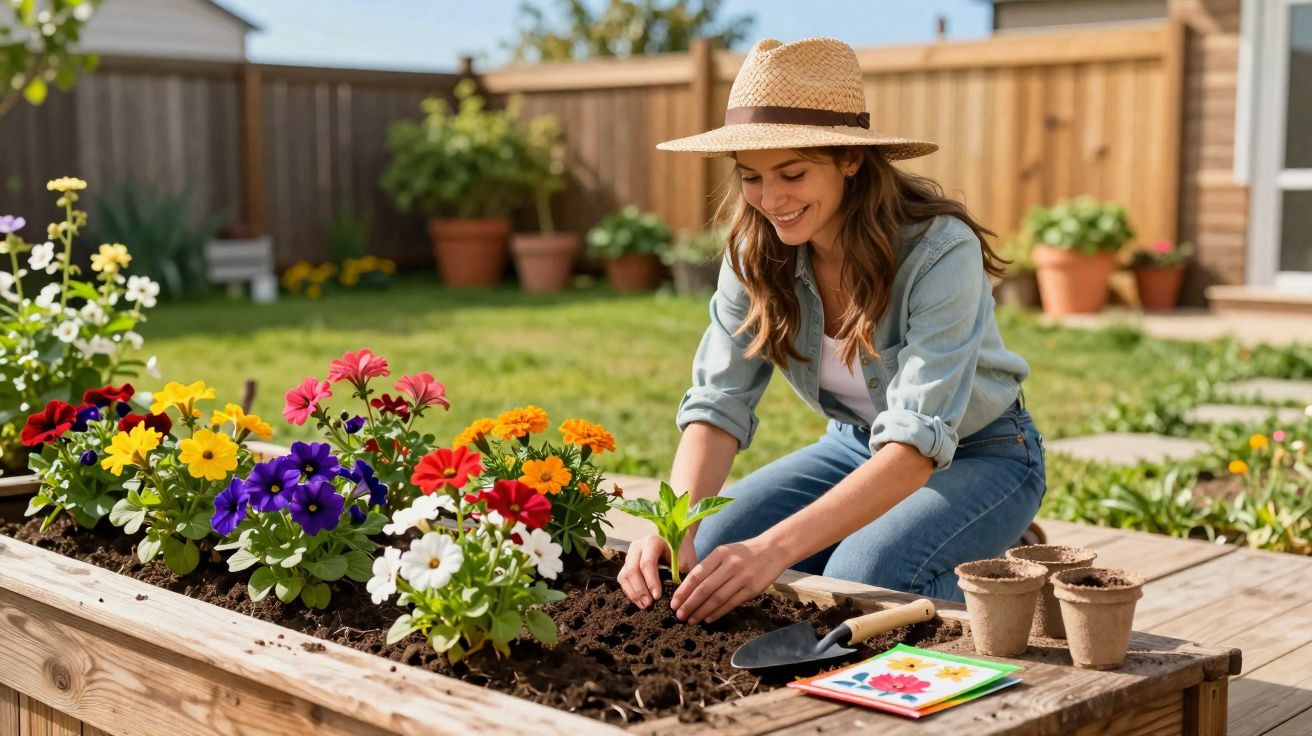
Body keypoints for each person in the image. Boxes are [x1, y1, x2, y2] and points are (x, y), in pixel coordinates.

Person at [616, 37, 1046, 625]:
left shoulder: (939, 251)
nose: (770, 199)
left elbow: (917, 443)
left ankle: (1007, 567)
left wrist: (773, 550)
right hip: (854, 445)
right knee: (710, 555)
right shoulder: (752, 253)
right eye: (751, 177)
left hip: (985, 453)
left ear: (850, 159)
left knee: (864, 577)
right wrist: (675, 525)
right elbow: (718, 403)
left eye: (792, 172)